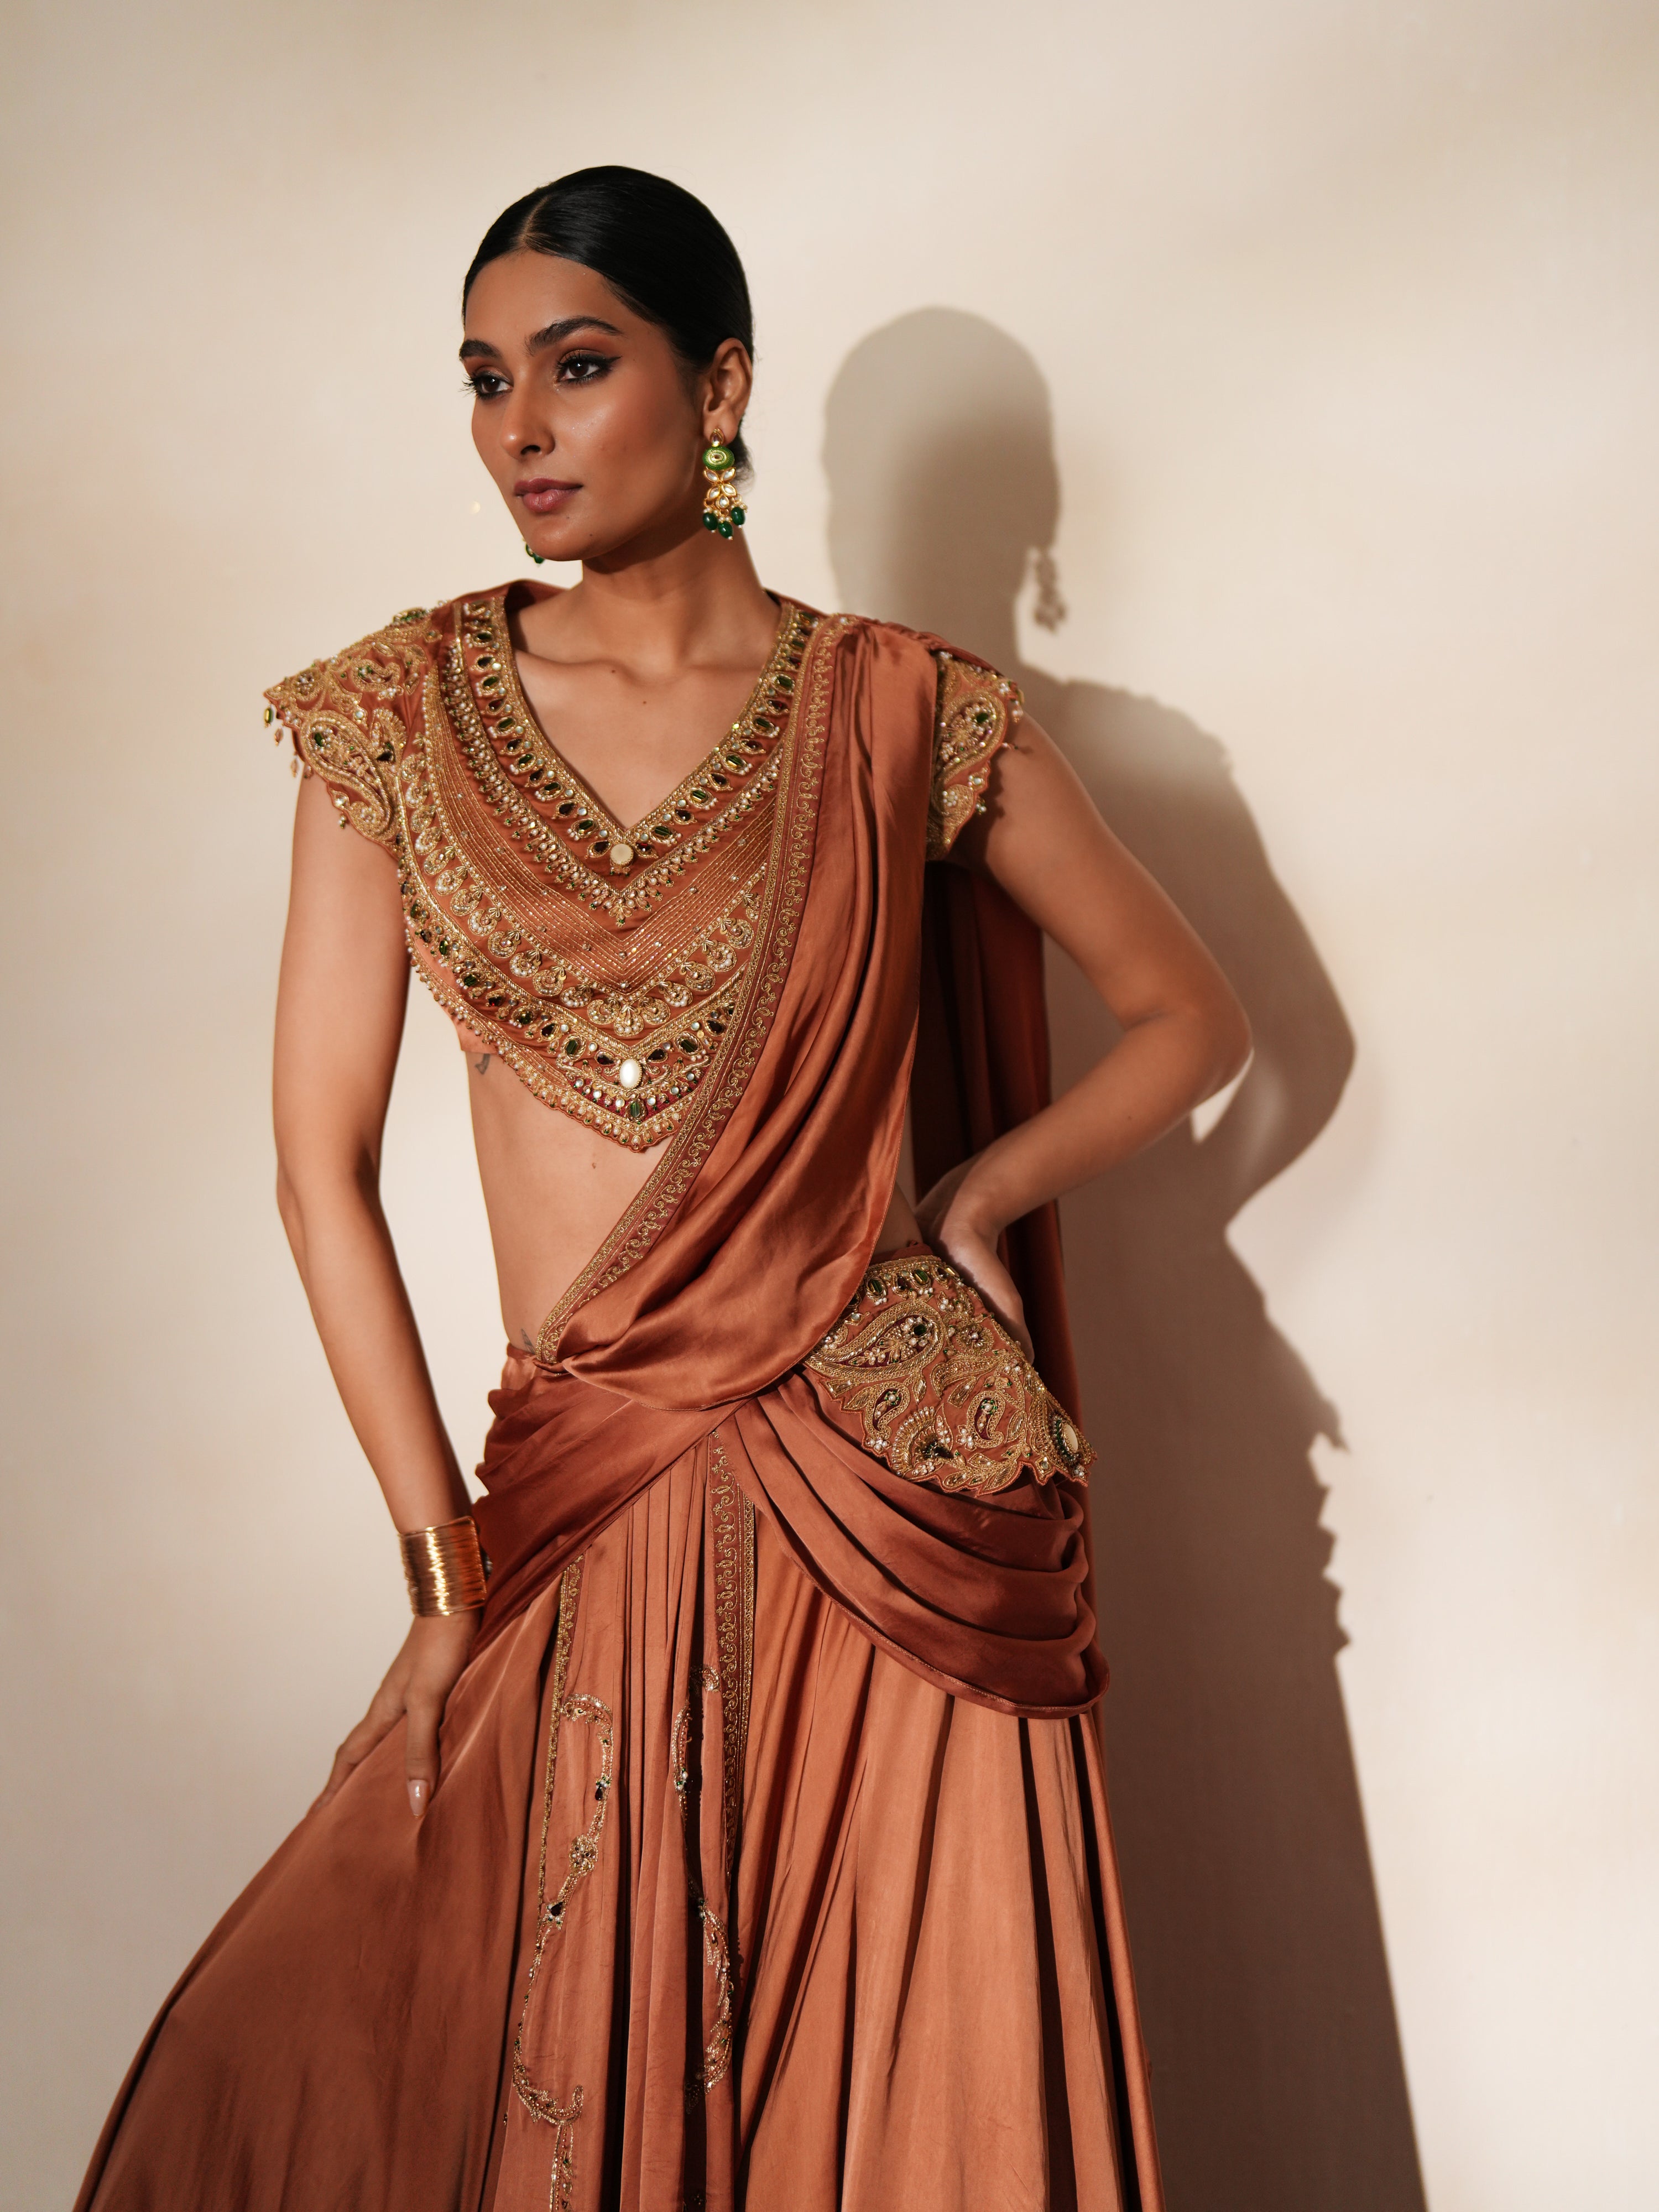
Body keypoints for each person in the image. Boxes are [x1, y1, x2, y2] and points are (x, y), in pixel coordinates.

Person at [75, 167, 1249, 2212]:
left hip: (908, 1507)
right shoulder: (389, 717)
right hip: (589, 1486)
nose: (516, 427)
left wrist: (975, 1201)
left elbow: (1187, 1016)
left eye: (578, 365)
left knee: (912, 2123)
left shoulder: (907, 713)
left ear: (718, 388)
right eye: (482, 378)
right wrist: (442, 1570)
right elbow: (315, 1168)